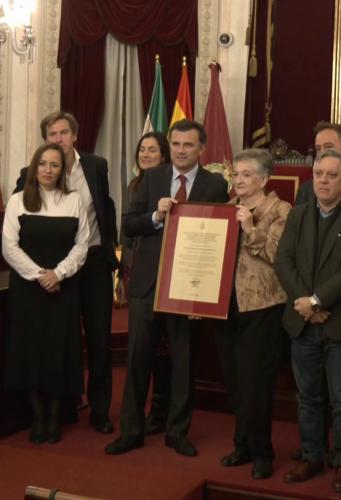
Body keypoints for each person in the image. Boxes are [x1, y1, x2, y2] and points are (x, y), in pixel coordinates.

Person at [106, 119, 229, 457]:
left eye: (188, 145)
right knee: (137, 360)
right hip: (148, 284)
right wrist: (155, 217)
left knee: (183, 363)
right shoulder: (153, 177)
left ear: (201, 148)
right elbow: (129, 225)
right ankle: (131, 432)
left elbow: (219, 237)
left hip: (189, 288)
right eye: (175, 144)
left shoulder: (214, 184)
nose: (180, 150)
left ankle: (177, 433)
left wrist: (207, 294)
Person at [275, 149, 341, 492]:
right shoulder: (299, 213)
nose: (324, 181)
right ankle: (312, 456)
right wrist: (305, 304)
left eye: (332, 175)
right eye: (319, 174)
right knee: (307, 397)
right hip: (302, 322)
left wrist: (316, 301)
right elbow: (283, 261)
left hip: (338, 324)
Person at [13, 111, 118, 434]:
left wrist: (113, 249)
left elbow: (106, 207)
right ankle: (66, 408)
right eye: (52, 134)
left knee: (99, 339)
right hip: (58, 272)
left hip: (94, 261)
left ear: (75, 135)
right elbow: (21, 216)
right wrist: (50, 272)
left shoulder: (96, 166)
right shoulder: (30, 173)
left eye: (63, 133)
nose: (58, 139)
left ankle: (100, 411)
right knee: (64, 340)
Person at [3, 143, 89, 444]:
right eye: (42, 164)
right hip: (29, 289)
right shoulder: (17, 201)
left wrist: (59, 274)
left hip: (63, 288)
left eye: (54, 165)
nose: (48, 170)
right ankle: (37, 418)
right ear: (34, 167)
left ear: (62, 170)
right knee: (31, 352)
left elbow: (82, 245)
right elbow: (9, 247)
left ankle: (54, 418)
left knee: (57, 352)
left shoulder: (74, 200)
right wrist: (41, 276)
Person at [215, 149, 291, 480]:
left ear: (264, 178)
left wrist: (249, 227)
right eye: (236, 174)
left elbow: (277, 254)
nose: (239, 180)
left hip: (262, 307)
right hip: (224, 305)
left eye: (247, 174)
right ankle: (242, 444)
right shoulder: (226, 208)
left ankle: (263, 452)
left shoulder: (280, 209)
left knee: (256, 384)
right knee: (234, 380)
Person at [120, 131, 172, 436]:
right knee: (142, 347)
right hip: (137, 268)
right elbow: (128, 226)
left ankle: (161, 408)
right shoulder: (135, 184)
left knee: (163, 347)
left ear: (164, 155)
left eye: (152, 150)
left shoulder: (168, 184)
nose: (146, 154)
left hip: (164, 271)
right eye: (142, 149)